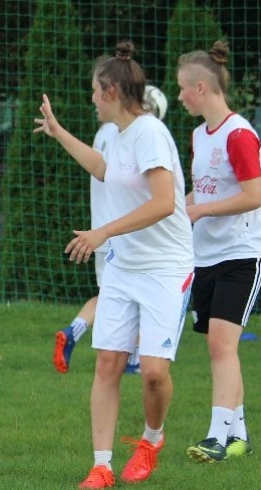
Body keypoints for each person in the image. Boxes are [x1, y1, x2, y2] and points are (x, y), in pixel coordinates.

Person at [35, 41, 194, 488]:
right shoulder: (121, 135)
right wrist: (59, 131)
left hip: (165, 267)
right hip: (125, 267)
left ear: (109, 91)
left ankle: (152, 438)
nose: (90, 98)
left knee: (155, 374)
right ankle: (101, 466)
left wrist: (104, 232)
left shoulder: (150, 133)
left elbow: (165, 203)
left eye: (93, 91)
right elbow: (105, 169)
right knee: (107, 363)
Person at [53, 84, 173, 376]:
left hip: (103, 229)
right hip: (123, 231)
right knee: (129, 298)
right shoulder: (135, 134)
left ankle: (76, 331)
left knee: (111, 295)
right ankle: (132, 357)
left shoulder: (107, 132)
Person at [178, 40, 261, 462]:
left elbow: (254, 195)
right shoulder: (198, 135)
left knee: (220, 348)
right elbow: (203, 190)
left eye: (181, 89)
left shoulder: (240, 134)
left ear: (200, 87)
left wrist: (201, 210)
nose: (178, 97)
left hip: (240, 256)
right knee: (220, 348)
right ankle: (240, 437)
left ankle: (215, 439)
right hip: (204, 256)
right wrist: (178, 209)